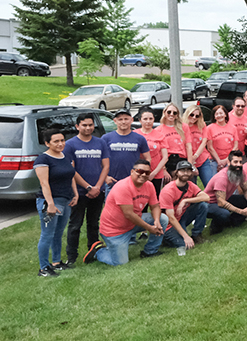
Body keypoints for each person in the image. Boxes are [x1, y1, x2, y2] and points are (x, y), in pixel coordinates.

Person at [85, 160, 168, 265]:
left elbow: (155, 206)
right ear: (132, 172)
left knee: (163, 219)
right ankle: (99, 251)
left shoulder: (149, 186)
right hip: (115, 230)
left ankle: (150, 251)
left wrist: (156, 221)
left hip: (132, 223)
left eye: (147, 173)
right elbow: (128, 214)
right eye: (140, 171)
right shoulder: (123, 187)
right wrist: (149, 228)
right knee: (120, 263)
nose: (143, 175)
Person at [63, 113, 109, 267]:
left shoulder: (100, 143)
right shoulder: (70, 145)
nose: (88, 128)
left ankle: (93, 251)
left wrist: (97, 187)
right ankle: (71, 257)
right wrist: (88, 187)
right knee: (75, 225)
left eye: (90, 125)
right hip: (79, 193)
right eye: (84, 125)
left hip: (98, 191)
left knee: (93, 223)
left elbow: (106, 166)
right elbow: (71, 170)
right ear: (77, 127)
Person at [34, 130, 78, 277]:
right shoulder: (43, 160)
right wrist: (50, 204)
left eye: (62, 140)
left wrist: (75, 193)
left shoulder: (66, 156)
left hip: (66, 200)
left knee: (58, 233)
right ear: (47, 143)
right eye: (56, 141)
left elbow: (71, 176)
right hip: (50, 201)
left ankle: (56, 263)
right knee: (47, 234)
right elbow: (44, 183)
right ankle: (43, 268)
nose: (61, 144)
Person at [159, 161, 210, 250]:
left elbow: (206, 197)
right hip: (168, 224)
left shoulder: (190, 185)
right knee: (184, 245)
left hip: (182, 217)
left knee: (203, 205)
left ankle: (197, 235)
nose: (185, 173)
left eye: (188, 170)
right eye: (182, 171)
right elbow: (170, 218)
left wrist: (185, 200)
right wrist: (185, 236)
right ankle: (165, 238)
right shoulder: (168, 191)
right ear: (177, 172)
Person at [202, 150, 247, 234]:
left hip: (225, 198)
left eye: (240, 162)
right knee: (224, 213)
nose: (238, 164)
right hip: (209, 204)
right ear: (229, 162)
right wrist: (242, 212)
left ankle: (232, 222)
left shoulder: (241, 172)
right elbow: (221, 203)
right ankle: (215, 227)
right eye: (235, 162)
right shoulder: (221, 177)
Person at [102, 109, 150, 198]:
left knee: (133, 209)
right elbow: (98, 160)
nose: (123, 122)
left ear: (131, 120)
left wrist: (143, 175)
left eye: (126, 119)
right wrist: (105, 177)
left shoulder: (140, 138)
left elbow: (147, 159)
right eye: (120, 119)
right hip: (112, 182)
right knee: (113, 210)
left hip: (133, 181)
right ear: (115, 121)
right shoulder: (106, 138)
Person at [135, 108, 169, 191]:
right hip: (139, 173)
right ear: (140, 120)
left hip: (156, 173)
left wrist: (153, 173)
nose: (148, 121)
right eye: (145, 119)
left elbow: (165, 157)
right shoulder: (135, 134)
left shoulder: (160, 135)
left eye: (151, 118)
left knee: (155, 199)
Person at [183, 104, 217, 186]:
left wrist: (195, 156)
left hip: (202, 158)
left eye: (197, 116)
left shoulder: (202, 125)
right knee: (191, 186)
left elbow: (204, 141)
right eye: (192, 114)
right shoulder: (182, 126)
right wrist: (191, 160)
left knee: (209, 184)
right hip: (188, 159)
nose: (194, 117)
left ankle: (209, 199)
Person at [158, 103, 189, 178]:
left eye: (174, 113)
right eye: (169, 112)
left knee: (183, 185)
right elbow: (158, 152)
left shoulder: (184, 127)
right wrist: (163, 169)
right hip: (167, 161)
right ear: (164, 113)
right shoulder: (158, 130)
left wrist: (190, 165)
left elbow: (188, 146)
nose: (171, 114)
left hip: (181, 159)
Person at [205, 104, 238, 171]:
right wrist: (219, 161)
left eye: (221, 113)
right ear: (214, 116)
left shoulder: (233, 128)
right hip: (214, 160)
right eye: (216, 114)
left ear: (225, 114)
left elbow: (236, 146)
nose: (219, 115)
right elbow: (210, 147)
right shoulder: (209, 128)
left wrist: (226, 160)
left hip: (230, 160)